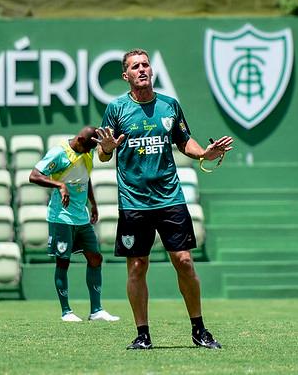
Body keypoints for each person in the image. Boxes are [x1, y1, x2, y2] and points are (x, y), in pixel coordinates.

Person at [96, 48, 233, 349]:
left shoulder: (170, 106)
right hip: (133, 201)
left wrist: (204, 153)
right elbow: (104, 155)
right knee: (137, 267)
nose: (142, 69)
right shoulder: (116, 109)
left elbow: (184, 141)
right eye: (135, 66)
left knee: (184, 261)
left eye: (145, 65)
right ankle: (142, 335)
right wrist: (106, 148)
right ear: (126, 75)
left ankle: (199, 330)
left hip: (170, 198)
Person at [29, 127, 120, 322]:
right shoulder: (59, 153)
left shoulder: (87, 151)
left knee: (95, 258)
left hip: (82, 217)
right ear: (79, 140)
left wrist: (94, 204)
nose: (89, 152)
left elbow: (85, 179)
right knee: (63, 261)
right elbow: (34, 175)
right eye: (87, 147)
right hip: (61, 216)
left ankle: (96, 310)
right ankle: (66, 312)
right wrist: (60, 185)